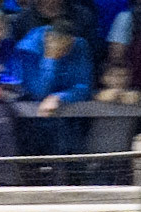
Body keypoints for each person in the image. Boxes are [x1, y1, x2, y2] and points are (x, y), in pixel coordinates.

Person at [15, 18, 92, 164]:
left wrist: (58, 97)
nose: (64, 52)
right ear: (48, 38)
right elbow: (38, 92)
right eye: (61, 49)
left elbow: (84, 87)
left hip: (70, 118)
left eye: (67, 48)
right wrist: (50, 59)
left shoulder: (79, 45)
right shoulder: (27, 48)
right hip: (31, 118)